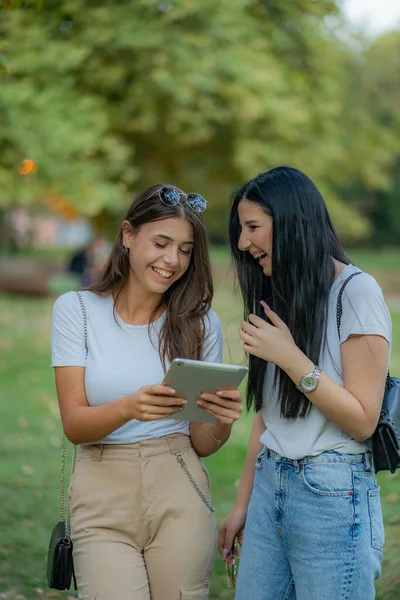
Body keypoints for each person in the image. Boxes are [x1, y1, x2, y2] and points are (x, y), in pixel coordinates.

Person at [52, 184, 243, 600]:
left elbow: (202, 443)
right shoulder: (77, 311)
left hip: (179, 485)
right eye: (161, 243)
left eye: (186, 249)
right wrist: (129, 407)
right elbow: (74, 425)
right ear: (127, 235)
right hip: (101, 492)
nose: (172, 260)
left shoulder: (200, 324)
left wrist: (222, 423)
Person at [218, 167, 391, 600]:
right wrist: (243, 501)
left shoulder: (357, 293)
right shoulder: (284, 292)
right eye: (241, 230)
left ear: (292, 220)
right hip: (270, 484)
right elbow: (270, 414)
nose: (243, 243)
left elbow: (363, 420)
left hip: (332, 494)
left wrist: (292, 358)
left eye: (253, 227)